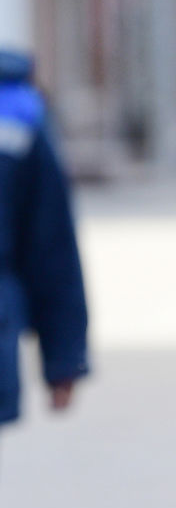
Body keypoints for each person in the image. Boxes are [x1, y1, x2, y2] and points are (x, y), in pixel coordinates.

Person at [0, 48, 88, 432]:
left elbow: (48, 242)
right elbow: (50, 243)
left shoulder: (16, 111)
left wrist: (63, 356)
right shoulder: (18, 112)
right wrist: (63, 359)